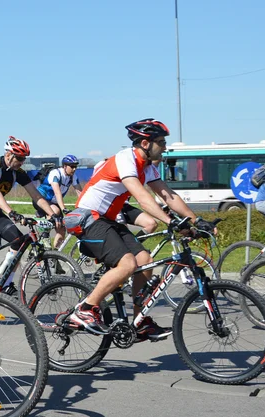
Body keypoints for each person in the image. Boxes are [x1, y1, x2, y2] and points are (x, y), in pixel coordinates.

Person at [68, 118, 216, 337]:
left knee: (145, 260)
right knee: (127, 264)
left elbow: (167, 194)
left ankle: (139, 321)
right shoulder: (125, 159)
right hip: (88, 217)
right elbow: (143, 197)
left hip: (107, 220)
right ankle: (85, 309)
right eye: (161, 142)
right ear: (145, 143)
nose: (165, 147)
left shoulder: (147, 167)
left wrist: (194, 220)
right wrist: (172, 221)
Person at [0, 136, 63, 289]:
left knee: (19, 241)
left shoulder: (18, 172)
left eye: (24, 159)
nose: (22, 162)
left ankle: (7, 285)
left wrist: (53, 214)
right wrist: (11, 212)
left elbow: (36, 195)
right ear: (8, 155)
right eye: (20, 158)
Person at [93, 158, 158, 235]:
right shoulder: (126, 168)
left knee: (151, 224)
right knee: (123, 230)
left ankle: (134, 245)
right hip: (111, 204)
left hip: (124, 205)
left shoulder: (148, 172)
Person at [34, 154, 83, 248]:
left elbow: (80, 193)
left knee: (61, 230)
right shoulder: (55, 173)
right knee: (55, 211)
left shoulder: (73, 177)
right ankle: (45, 236)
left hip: (53, 203)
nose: (74, 169)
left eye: (76, 167)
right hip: (40, 199)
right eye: (72, 167)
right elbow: (57, 193)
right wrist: (63, 208)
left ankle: (55, 255)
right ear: (65, 166)